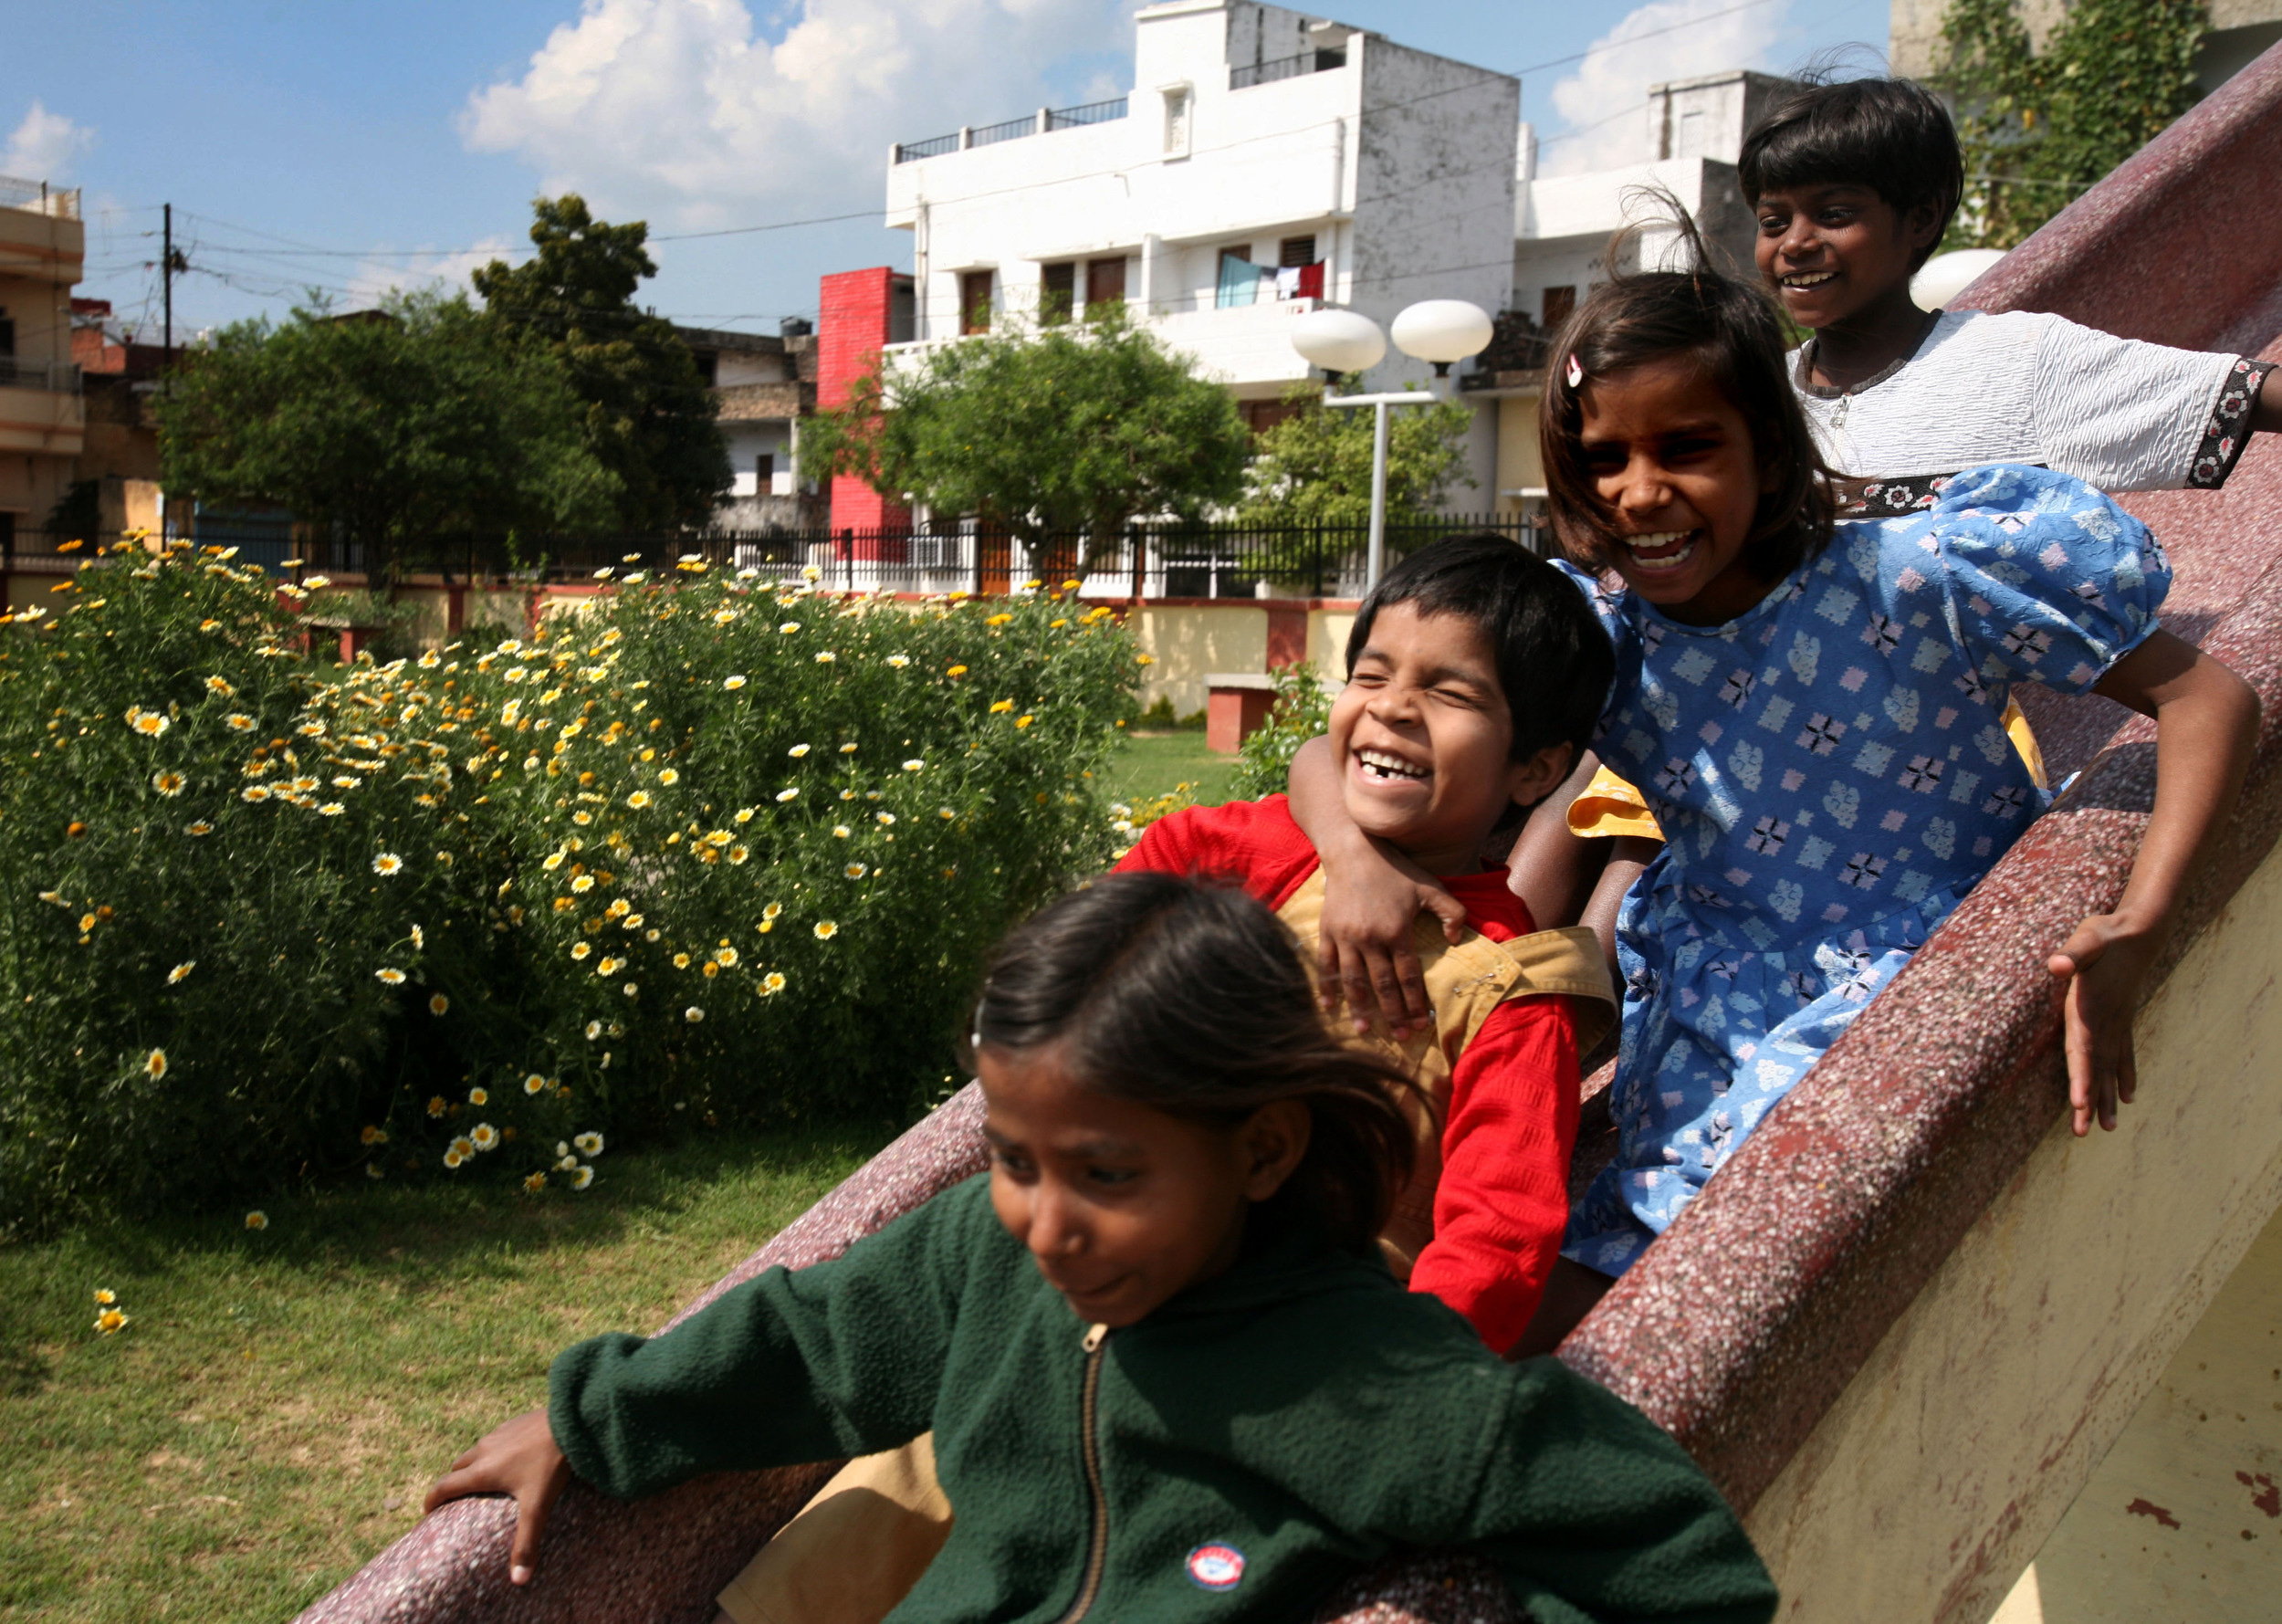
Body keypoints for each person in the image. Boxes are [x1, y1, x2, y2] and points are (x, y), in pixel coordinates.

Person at [1290, 238, 2258, 1348]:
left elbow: (2207, 699)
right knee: (1563, 1263)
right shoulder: (1604, 639)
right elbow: (1343, 743)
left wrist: (2140, 918)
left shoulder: (1917, 575)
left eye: (1688, 447)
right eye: (1602, 458)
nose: (1639, 492)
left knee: (1709, 1268)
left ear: (1768, 445)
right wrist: (1351, 857)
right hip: (1712, 1005)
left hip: (1906, 972)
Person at [425, 875, 1781, 1624]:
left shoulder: (1373, 1375)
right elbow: (812, 1339)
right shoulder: (989, 1252)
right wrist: (592, 1416)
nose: (1047, 1220)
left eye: (1107, 1172)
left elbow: (1679, 1555)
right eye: (1016, 1158)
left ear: (1261, 1150)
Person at [1114, 535, 1618, 1352]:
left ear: (1535, 770)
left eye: (1451, 692)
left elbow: (1497, 1235)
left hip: (1297, 1345)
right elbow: (1122, 904)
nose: (1391, 706)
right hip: (1107, 1261)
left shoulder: (1515, 993)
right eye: (1371, 676)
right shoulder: (1271, 849)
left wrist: (1396, 1381)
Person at [1741, 75, 2279, 503]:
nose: (1795, 243)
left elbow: (2244, 394)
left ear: (1921, 219)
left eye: (1834, 214)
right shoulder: (1751, 395)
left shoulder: (2017, 363)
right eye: (1773, 222)